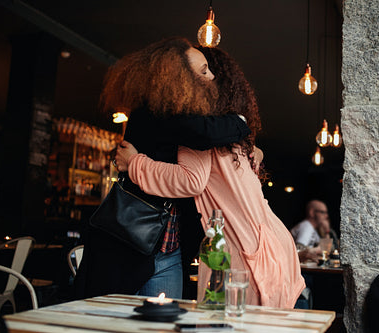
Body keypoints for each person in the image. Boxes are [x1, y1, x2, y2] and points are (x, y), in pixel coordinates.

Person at [116, 47, 305, 309]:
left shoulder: (210, 131)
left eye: (211, 70)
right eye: (203, 71)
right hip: (268, 243)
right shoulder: (221, 135)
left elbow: (190, 180)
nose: (211, 78)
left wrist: (134, 163)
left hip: (241, 250)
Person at [74, 37, 255, 300]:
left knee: (163, 326)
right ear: (177, 76)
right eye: (203, 70)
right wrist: (240, 121)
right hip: (127, 244)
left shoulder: (177, 112)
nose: (212, 76)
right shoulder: (155, 110)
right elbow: (205, 133)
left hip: (168, 248)